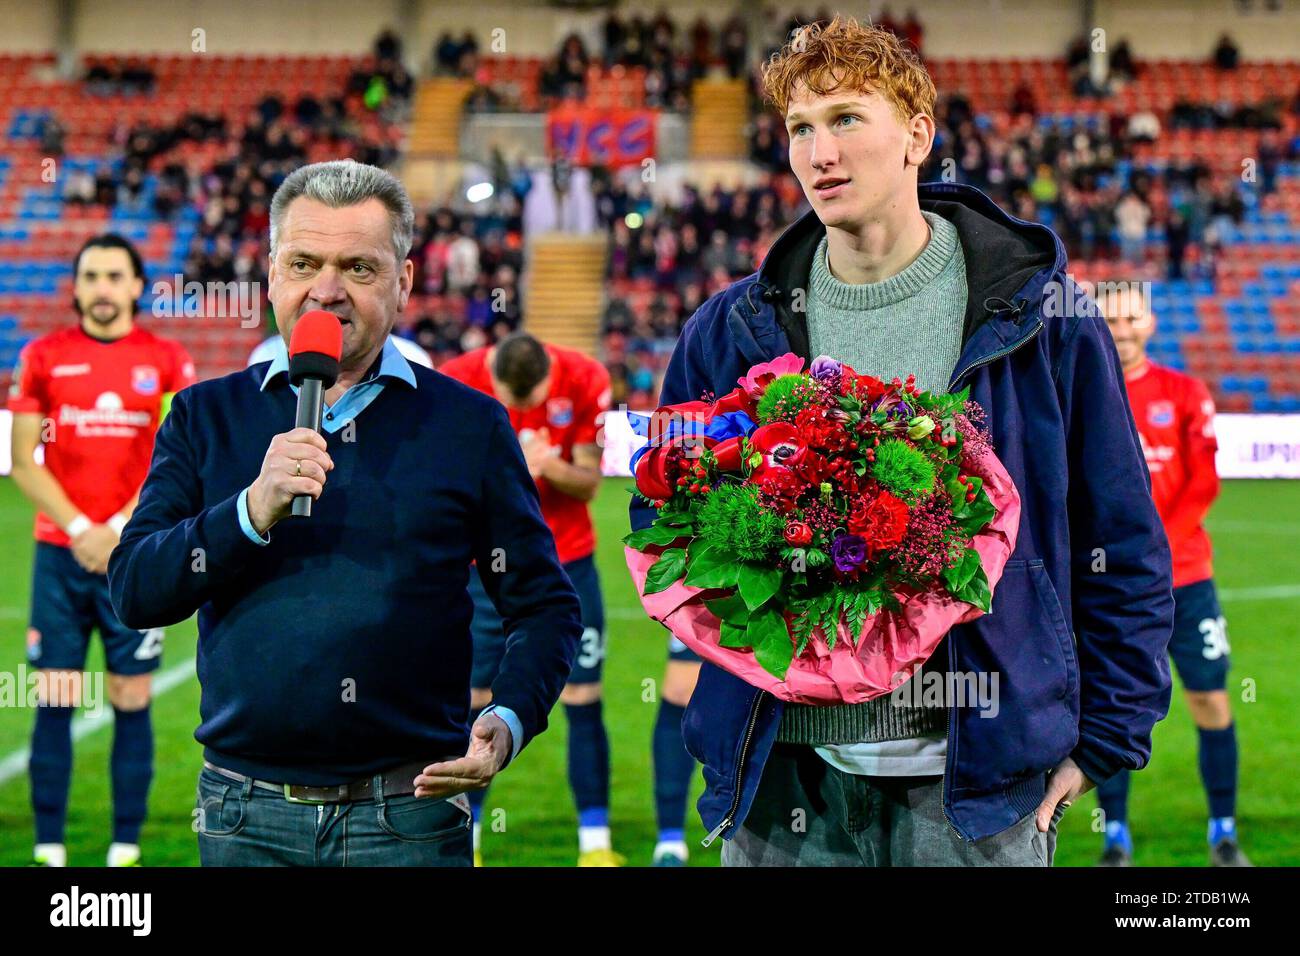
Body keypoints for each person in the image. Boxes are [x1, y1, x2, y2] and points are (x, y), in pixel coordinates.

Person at [628, 16, 1174, 867]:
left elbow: (1124, 539)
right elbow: (666, 517)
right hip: (782, 781)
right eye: (800, 128)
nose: (819, 152)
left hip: (974, 789)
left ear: (918, 135)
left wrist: (1107, 736)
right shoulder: (733, 328)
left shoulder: (1040, 317)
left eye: (846, 119)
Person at [107, 160, 582, 867]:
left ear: (405, 282)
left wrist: (509, 719)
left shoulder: (471, 426)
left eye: (358, 267)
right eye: (304, 262)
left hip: (412, 817)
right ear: (271, 275)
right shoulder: (207, 417)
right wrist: (248, 510)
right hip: (245, 815)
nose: (325, 291)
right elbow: (136, 590)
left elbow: (545, 605)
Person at [8, 233, 196, 867]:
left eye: (115, 276)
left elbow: (178, 456)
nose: (102, 287)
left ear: (138, 287)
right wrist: (83, 528)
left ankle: (124, 843)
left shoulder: (168, 360)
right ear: (78, 287)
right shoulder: (40, 356)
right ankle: (49, 843)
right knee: (57, 695)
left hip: (131, 555)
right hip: (61, 556)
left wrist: (117, 525)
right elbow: (22, 461)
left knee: (131, 697)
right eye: (91, 276)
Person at [440, 332, 620, 866]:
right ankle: (466, 841)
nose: (523, 409)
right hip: (481, 573)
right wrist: (511, 464)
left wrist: (550, 465)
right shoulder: (455, 379)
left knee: (583, 701)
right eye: (512, 401)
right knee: (473, 708)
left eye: (532, 400)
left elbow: (590, 484)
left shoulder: (586, 377)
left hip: (567, 565)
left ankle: (595, 844)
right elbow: (442, 483)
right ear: (492, 374)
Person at [1095, 282, 1251, 867]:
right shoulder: (1085, 392)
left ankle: (1224, 830)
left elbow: (1203, 482)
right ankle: (1115, 836)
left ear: (1151, 323)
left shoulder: (1184, 392)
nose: (1123, 329)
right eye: (1111, 319)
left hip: (1186, 579)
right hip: (1113, 588)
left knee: (1210, 698)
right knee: (1107, 703)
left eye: (1131, 317)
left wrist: (1155, 549)